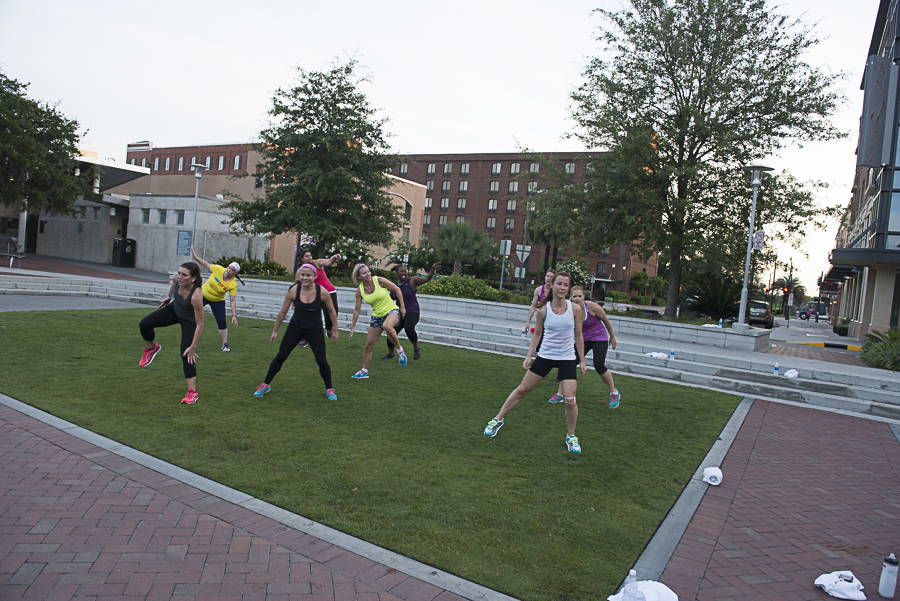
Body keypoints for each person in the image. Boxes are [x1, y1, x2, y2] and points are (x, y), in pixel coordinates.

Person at [484, 272, 588, 454]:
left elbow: (578, 335)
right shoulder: (543, 309)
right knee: (522, 389)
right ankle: (498, 419)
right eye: (559, 284)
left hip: (567, 358)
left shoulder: (575, 310)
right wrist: (528, 355)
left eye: (566, 285)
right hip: (546, 356)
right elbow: (537, 334)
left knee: (570, 401)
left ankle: (571, 436)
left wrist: (583, 360)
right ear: (552, 286)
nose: (562, 288)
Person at [253, 263, 340, 400]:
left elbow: (331, 311)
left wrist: (335, 330)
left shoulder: (322, 292)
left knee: (321, 360)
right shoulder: (294, 290)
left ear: (315, 276)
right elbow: (282, 312)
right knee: (281, 356)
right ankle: (265, 384)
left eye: (308, 275)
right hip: (296, 326)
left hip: (315, 328)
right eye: (302, 275)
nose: (305, 278)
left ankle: (329, 389)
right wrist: (275, 331)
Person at [138, 262, 205, 404]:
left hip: (189, 320)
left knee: (186, 353)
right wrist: (169, 296)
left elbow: (200, 324)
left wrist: (193, 347)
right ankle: (152, 348)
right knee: (145, 324)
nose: (180, 277)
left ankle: (192, 392)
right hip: (174, 310)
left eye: (184, 275)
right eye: (179, 273)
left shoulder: (196, 295)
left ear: (193, 278)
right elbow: (174, 285)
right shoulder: (176, 279)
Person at [548, 286, 621, 408]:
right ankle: (560, 394)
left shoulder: (592, 307)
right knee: (568, 363)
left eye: (579, 296)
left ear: (584, 297)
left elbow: (606, 320)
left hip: (599, 337)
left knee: (599, 365)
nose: (577, 299)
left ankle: (614, 392)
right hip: (583, 339)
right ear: (570, 298)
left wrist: (612, 337)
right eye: (574, 296)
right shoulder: (569, 310)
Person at [348, 263, 407, 379]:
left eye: (368, 271)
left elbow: (397, 289)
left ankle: (400, 350)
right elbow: (357, 310)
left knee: (387, 326)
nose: (368, 274)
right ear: (359, 277)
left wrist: (403, 307)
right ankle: (364, 371)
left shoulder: (379, 280)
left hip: (392, 311)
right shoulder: (360, 291)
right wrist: (352, 327)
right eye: (364, 273)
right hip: (377, 316)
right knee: (368, 346)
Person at [382, 262, 441, 361]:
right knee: (391, 330)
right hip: (399, 312)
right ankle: (391, 353)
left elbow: (426, 279)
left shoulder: (412, 281)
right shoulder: (394, 285)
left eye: (405, 271)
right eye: (401, 271)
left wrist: (432, 269)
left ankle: (416, 348)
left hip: (412, 311)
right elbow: (391, 298)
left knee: (409, 328)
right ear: (397, 273)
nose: (404, 273)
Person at [190, 247, 242, 352]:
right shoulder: (218, 269)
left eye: (232, 270)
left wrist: (234, 315)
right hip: (203, 294)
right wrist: (195, 257)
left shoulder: (233, 284)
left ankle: (225, 344)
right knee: (189, 311)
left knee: (221, 321)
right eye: (229, 267)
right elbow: (206, 264)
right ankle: (188, 335)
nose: (229, 270)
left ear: (235, 273)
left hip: (217, 300)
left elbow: (232, 300)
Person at [297, 248, 342, 342]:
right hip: (315, 294)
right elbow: (297, 285)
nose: (309, 257)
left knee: (333, 312)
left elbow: (328, 262)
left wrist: (334, 257)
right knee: (309, 315)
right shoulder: (301, 271)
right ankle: (305, 338)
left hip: (329, 291)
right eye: (306, 256)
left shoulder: (317, 263)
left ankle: (329, 328)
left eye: (310, 255)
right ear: (302, 259)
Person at [523, 270, 556, 335]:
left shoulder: (555, 291)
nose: (548, 278)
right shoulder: (539, 290)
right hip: (542, 317)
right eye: (547, 276)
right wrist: (528, 322)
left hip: (552, 318)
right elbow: (533, 306)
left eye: (551, 277)